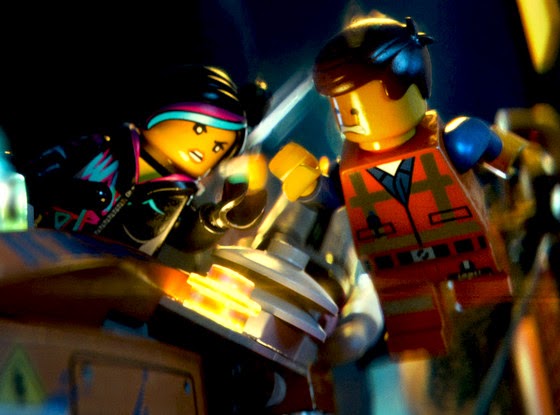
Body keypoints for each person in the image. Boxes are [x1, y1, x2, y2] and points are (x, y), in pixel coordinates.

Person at [270, 14, 531, 356]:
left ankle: (490, 331)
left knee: (488, 305)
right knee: (415, 326)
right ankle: (436, 342)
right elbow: (330, 196)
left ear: (406, 84)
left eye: (354, 100)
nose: (346, 114)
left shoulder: (453, 143)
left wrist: (523, 159)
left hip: (460, 246)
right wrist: (307, 186)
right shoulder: (349, 169)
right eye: (339, 104)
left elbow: (491, 144)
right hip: (397, 266)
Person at [21, 64, 268, 256]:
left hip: (108, 279)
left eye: (219, 147)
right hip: (35, 247)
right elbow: (39, 173)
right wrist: (59, 191)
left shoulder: (176, 196)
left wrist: (220, 218)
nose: (205, 149)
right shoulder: (104, 148)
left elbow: (187, 236)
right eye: (199, 129)